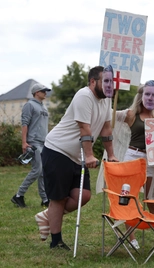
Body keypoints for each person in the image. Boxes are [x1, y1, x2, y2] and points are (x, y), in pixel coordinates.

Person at [35, 65, 118, 250]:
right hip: (58, 150)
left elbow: (106, 129)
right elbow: (84, 128)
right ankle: (56, 241)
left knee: (84, 196)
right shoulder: (84, 96)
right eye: (105, 81)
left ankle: (47, 216)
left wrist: (111, 154)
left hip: (76, 155)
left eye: (111, 82)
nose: (109, 85)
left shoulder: (106, 100)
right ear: (93, 82)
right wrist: (89, 155)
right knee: (59, 198)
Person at [96, 80, 154, 250]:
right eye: (147, 94)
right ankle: (131, 238)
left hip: (151, 161)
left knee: (151, 201)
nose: (150, 97)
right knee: (129, 200)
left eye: (153, 95)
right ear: (141, 96)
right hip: (132, 158)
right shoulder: (131, 114)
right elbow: (109, 115)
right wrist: (109, 97)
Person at [11, 83, 51, 208]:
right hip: (33, 142)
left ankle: (45, 200)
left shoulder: (44, 107)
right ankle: (18, 196)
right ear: (36, 92)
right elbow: (24, 124)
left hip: (44, 142)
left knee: (43, 171)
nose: (45, 93)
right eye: (43, 91)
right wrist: (24, 142)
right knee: (37, 170)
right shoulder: (29, 105)